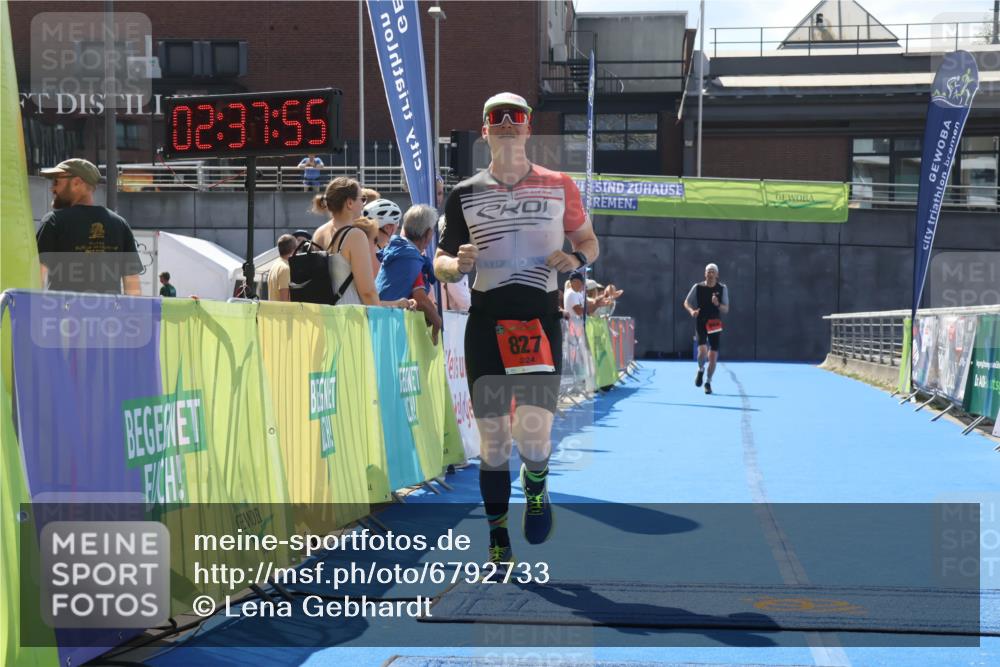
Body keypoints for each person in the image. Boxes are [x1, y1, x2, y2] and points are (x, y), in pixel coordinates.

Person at [434, 92, 599, 564]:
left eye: (516, 118)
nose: (506, 124)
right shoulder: (464, 193)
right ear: (485, 131)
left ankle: (538, 483)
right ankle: (498, 541)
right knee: (493, 442)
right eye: (496, 119)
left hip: (539, 324)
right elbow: (442, 261)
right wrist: (453, 265)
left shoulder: (559, 185)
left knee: (532, 436)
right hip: (486, 324)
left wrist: (575, 258)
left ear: (528, 128)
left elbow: (589, 240)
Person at [36, 158, 141, 295]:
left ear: (77, 182)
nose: (52, 188)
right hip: (108, 315)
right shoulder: (120, 224)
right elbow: (133, 287)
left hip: (63, 315)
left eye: (56, 182)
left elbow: (36, 280)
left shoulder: (53, 221)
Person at [311, 177, 409, 308]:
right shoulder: (355, 235)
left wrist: (396, 303)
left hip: (323, 317)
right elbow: (367, 292)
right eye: (362, 199)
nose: (364, 204)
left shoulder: (319, 233)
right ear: (349, 203)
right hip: (348, 320)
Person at [376, 204, 443, 345]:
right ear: (428, 234)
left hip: (379, 321)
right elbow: (421, 299)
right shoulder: (411, 258)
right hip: (388, 328)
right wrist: (437, 323)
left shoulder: (396, 249)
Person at [683, 263, 729, 395]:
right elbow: (686, 302)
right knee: (702, 351)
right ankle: (701, 369)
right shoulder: (697, 287)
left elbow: (726, 309)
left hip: (715, 323)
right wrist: (692, 311)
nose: (710, 274)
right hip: (701, 321)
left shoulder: (722, 288)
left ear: (717, 274)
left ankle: (708, 382)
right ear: (705, 274)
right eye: (708, 271)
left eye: (713, 271)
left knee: (713, 356)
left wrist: (717, 304)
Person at [363, 198, 402, 272]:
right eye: (397, 222)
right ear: (387, 227)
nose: (398, 226)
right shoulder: (374, 252)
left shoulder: (373, 245)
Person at [267, 234, 297, 301]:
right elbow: (284, 300)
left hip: (273, 310)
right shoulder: (285, 268)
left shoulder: (275, 265)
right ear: (293, 250)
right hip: (281, 311)